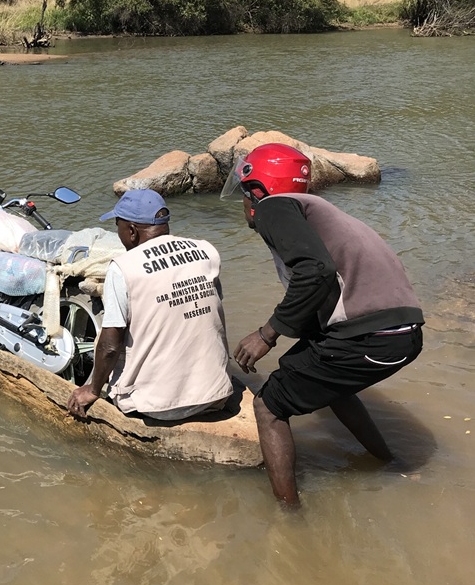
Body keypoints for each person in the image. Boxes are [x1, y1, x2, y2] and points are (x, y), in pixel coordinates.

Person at [224, 143, 424, 506]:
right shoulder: (321, 211)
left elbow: (316, 271)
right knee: (331, 387)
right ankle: (392, 464)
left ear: (258, 190)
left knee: (269, 405)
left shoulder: (273, 207)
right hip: (403, 333)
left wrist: (267, 334)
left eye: (243, 194)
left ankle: (289, 517)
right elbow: (328, 290)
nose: (243, 205)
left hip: (370, 337)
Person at [66, 189, 234, 421]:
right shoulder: (206, 251)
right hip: (217, 394)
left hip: (157, 405)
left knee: (107, 338)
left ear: (132, 231)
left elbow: (111, 346)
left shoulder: (123, 267)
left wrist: (93, 390)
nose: (119, 234)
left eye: (118, 226)